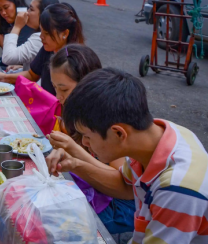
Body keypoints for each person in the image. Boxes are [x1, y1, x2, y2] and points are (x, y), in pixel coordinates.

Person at [46, 68, 208, 244]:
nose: (84, 143)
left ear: (118, 133)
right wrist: (76, 164)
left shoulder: (177, 190)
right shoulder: (159, 135)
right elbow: (126, 185)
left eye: (87, 136)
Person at [46, 45, 136, 236]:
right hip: (98, 191)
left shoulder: (110, 118)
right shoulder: (78, 111)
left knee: (55, 225)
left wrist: (73, 153)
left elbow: (124, 185)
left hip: (120, 205)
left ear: (87, 85)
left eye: (64, 89)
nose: (57, 96)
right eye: (55, 87)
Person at [0, 3, 84, 96]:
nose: (41, 37)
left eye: (46, 33)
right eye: (41, 31)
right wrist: (4, 77)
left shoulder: (76, 59)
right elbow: (32, 75)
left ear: (64, 34)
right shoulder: (48, 49)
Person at [1, 0, 59, 70]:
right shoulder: (43, 34)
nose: (27, 13)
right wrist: (23, 67)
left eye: (31, 9)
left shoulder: (40, 38)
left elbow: (7, 58)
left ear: (44, 14)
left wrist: (17, 26)